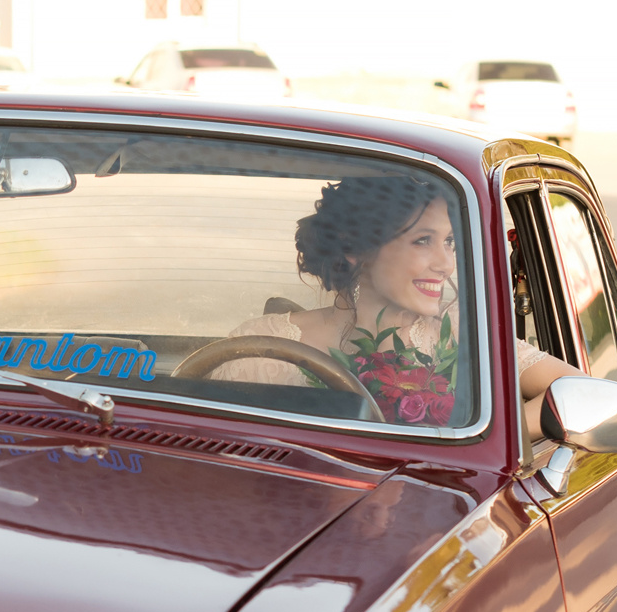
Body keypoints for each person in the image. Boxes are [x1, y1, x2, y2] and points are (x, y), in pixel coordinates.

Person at [210, 175, 583, 435]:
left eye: (450, 242)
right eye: (423, 240)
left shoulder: (458, 335)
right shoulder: (261, 345)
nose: (446, 263)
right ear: (356, 248)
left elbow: (580, 392)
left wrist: (468, 434)